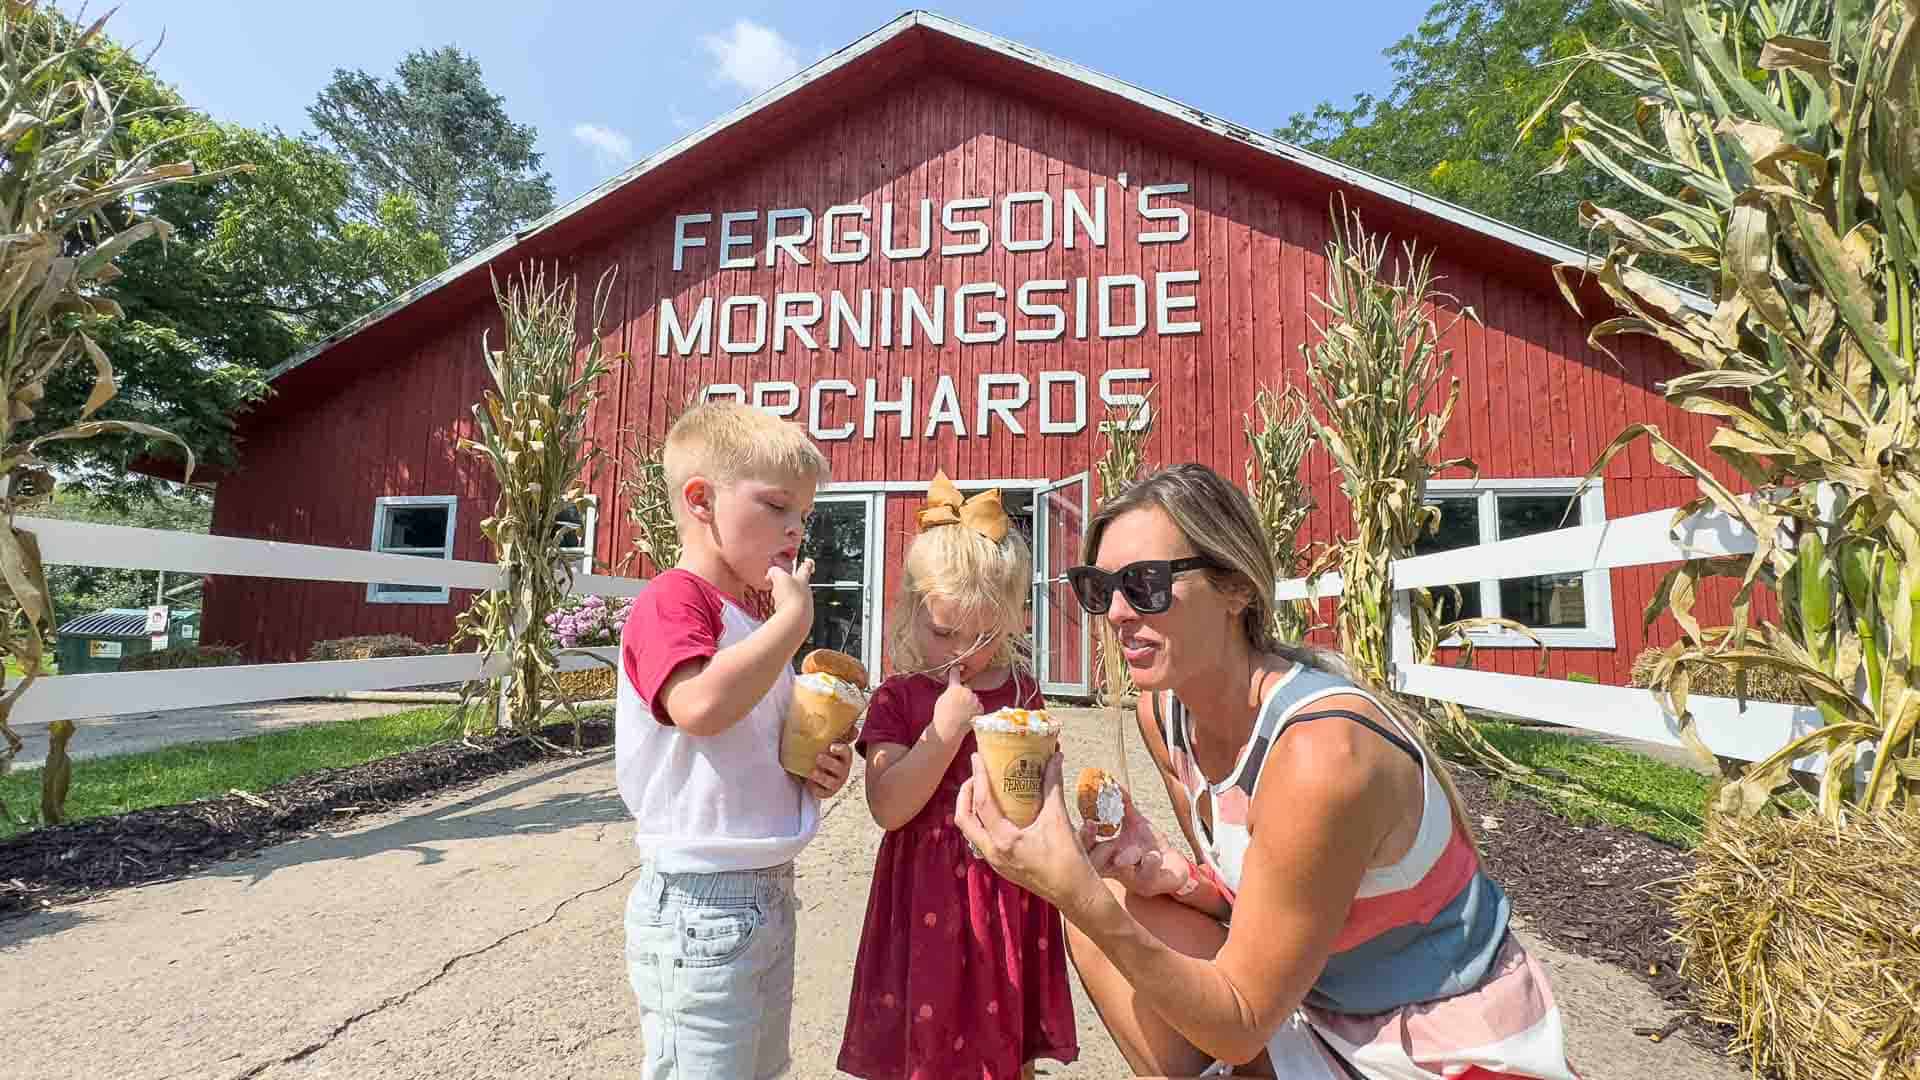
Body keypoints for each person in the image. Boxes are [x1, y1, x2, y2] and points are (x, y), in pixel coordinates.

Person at [955, 463, 1580, 1079]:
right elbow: (1259, 903)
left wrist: (1074, 891)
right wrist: (1188, 880)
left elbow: (1241, 1021)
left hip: (1439, 1043)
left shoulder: (1321, 753)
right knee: (1113, 908)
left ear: (1236, 588)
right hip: (1315, 1004)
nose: (1117, 611)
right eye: (1098, 587)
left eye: (1144, 582)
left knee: (1099, 913)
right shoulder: (1165, 713)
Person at [616, 401, 856, 1080]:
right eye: (777, 506)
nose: (793, 530)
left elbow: (747, 739)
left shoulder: (746, 621)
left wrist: (812, 768)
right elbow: (699, 705)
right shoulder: (674, 600)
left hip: (763, 889)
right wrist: (794, 622)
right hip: (699, 899)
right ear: (700, 500)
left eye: (802, 517)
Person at [836, 470, 1080, 1080]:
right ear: (910, 609)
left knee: (1003, 1033)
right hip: (924, 892)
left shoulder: (1023, 691)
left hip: (1005, 883)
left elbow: (1032, 797)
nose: (962, 654)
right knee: (926, 1035)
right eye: (944, 631)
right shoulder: (897, 698)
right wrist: (945, 732)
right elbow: (889, 807)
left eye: (984, 637)